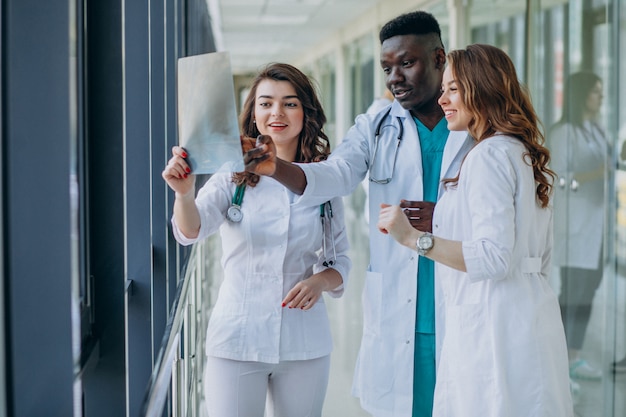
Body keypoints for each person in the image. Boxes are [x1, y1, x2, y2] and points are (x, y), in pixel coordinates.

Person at [244, 11, 474, 417]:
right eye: (387, 67)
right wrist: (274, 167)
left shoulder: (476, 126)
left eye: (407, 63)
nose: (394, 78)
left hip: (463, 292)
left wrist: (447, 215)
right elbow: (335, 174)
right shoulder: (377, 125)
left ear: (440, 59)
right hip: (400, 303)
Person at [377, 43, 574, 417]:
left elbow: (493, 257)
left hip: (492, 328)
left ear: (481, 89)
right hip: (528, 315)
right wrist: (443, 217)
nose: (442, 99)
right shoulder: (519, 151)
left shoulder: (486, 156)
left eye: (453, 89)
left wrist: (412, 238)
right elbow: (537, 254)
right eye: (444, 89)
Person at [162, 63, 351, 417]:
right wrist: (184, 195)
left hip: (304, 342)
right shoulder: (231, 175)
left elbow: (341, 260)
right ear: (253, 114)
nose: (276, 112)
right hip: (237, 337)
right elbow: (191, 231)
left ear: (305, 113)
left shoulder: (322, 180)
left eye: (289, 103)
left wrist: (319, 281)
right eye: (265, 103)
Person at [549, 71, 608, 381]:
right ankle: (560, 359)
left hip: (596, 228)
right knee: (574, 293)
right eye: (595, 91)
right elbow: (556, 180)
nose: (600, 97)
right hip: (575, 228)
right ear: (581, 94)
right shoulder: (565, 133)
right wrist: (594, 174)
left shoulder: (595, 130)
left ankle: (575, 356)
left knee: (588, 291)